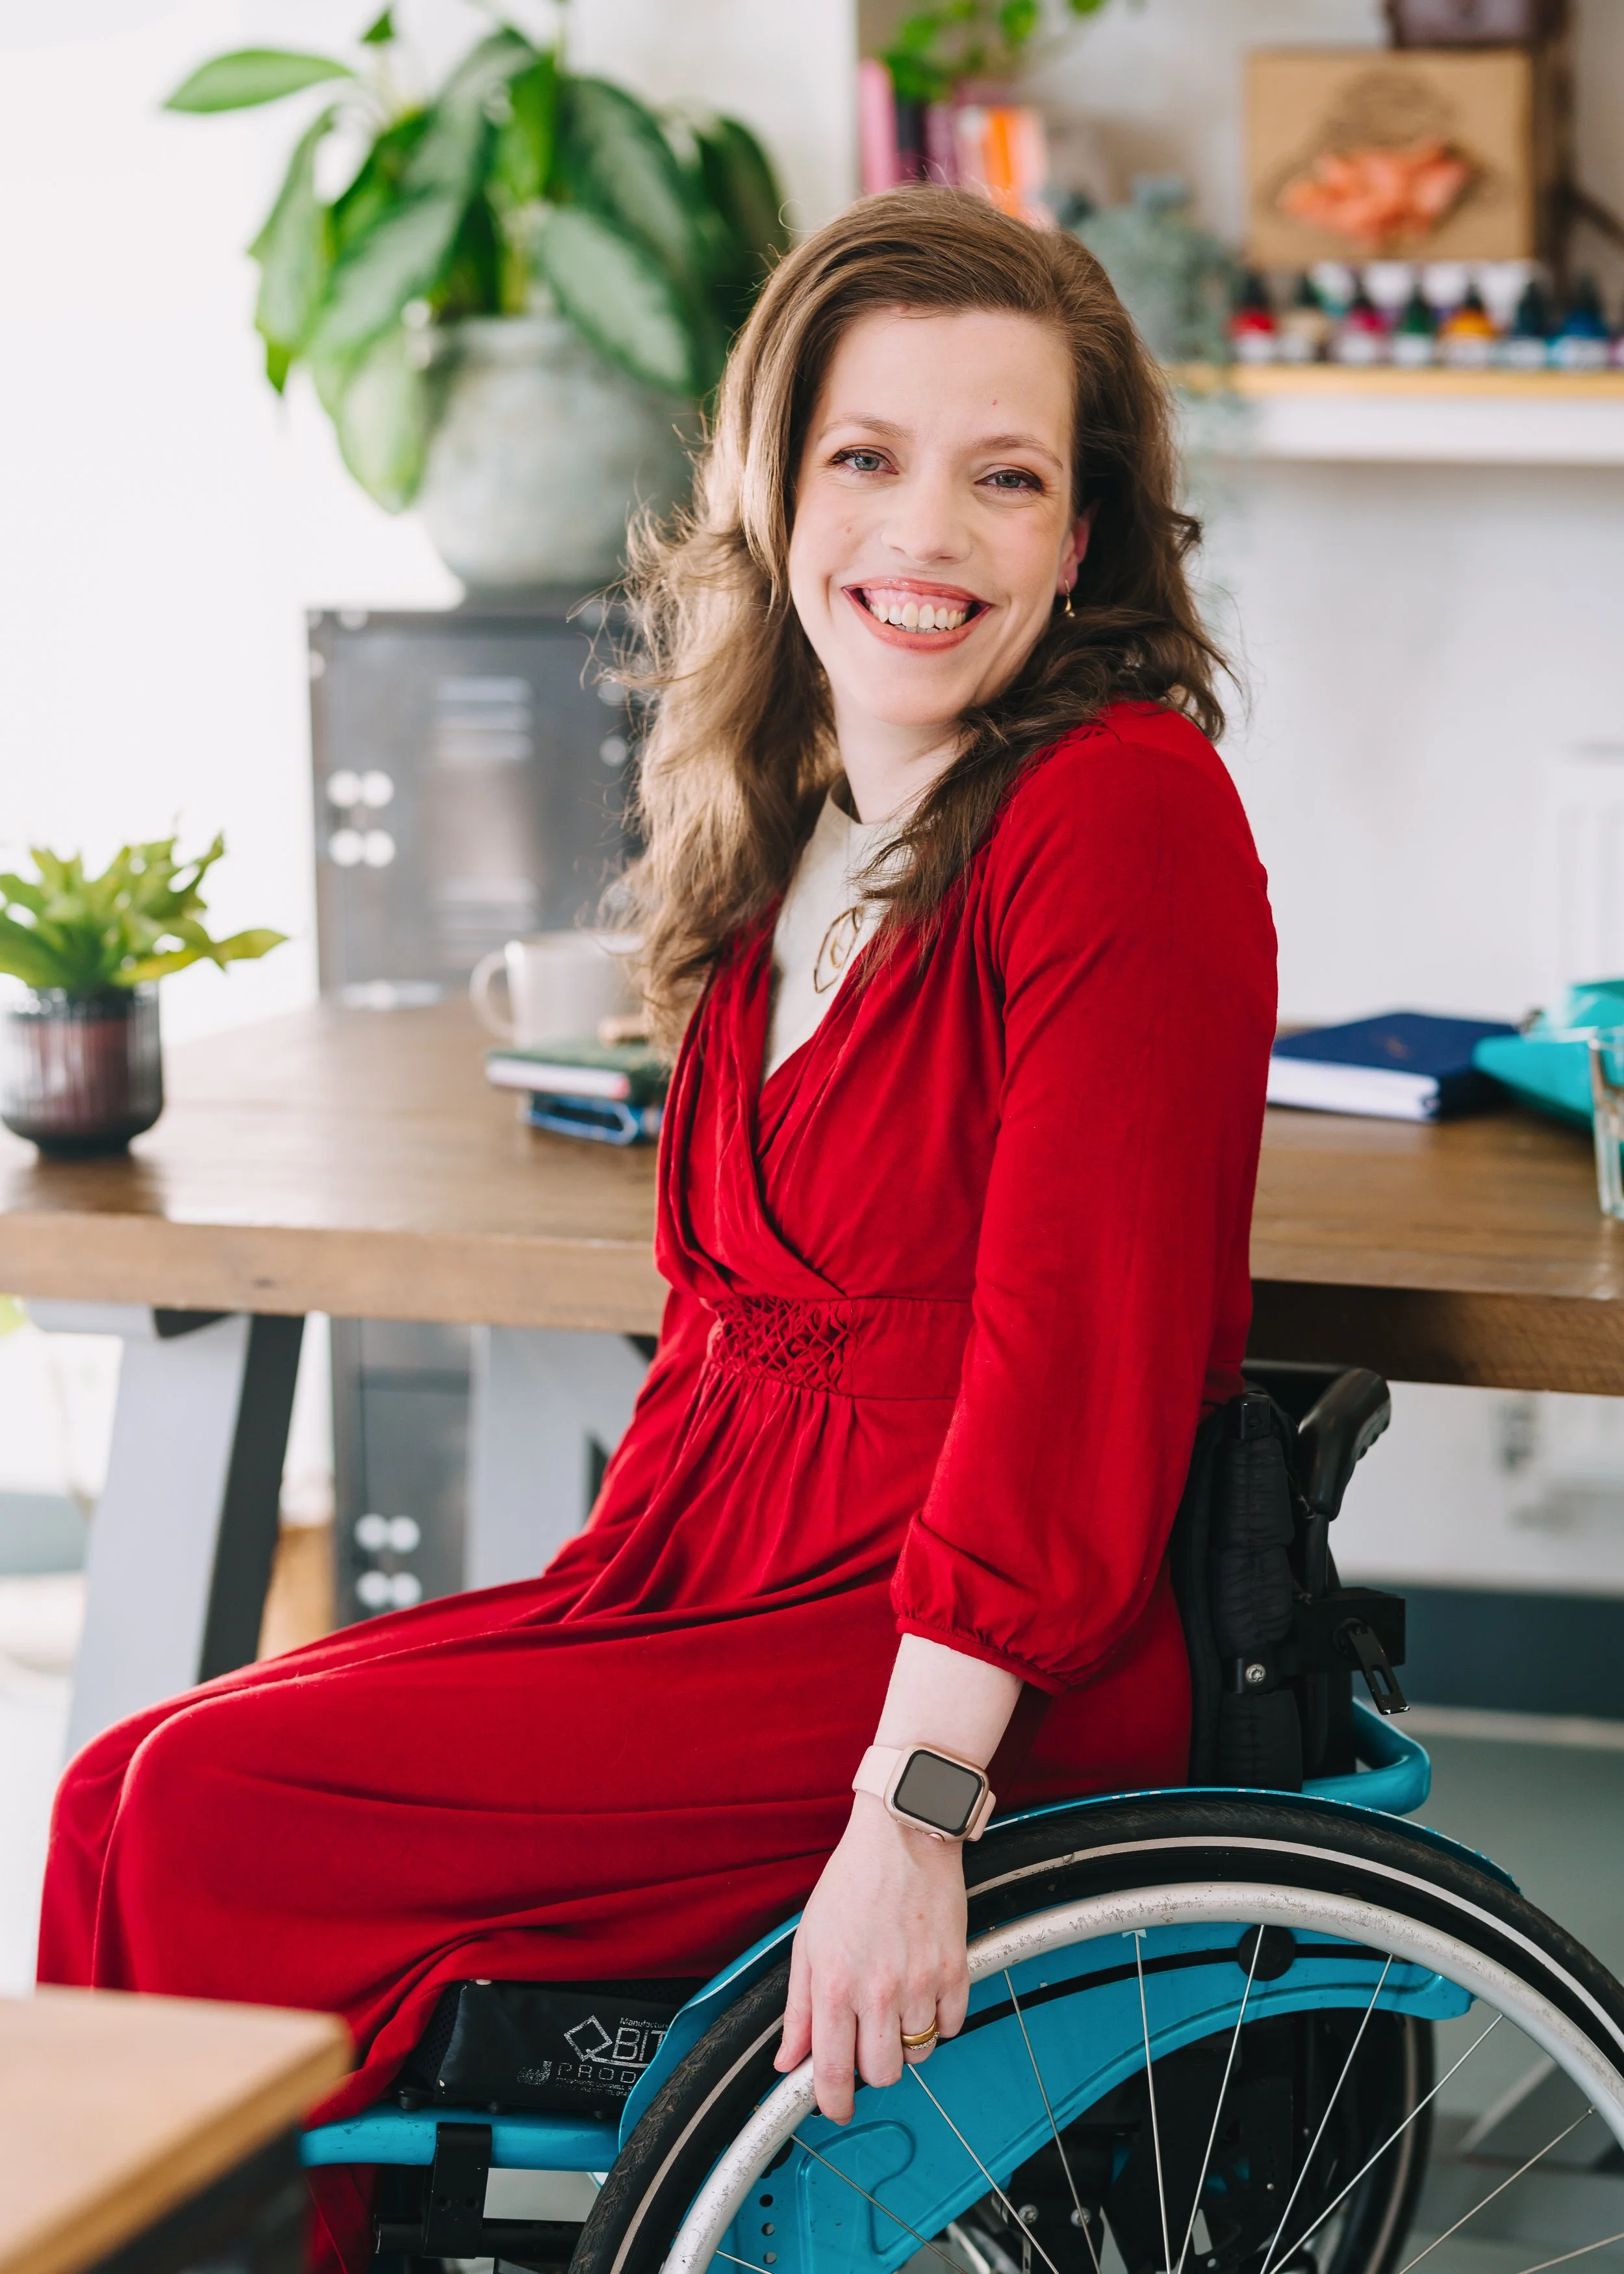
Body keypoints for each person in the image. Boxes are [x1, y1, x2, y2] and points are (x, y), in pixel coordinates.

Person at [36, 185, 1275, 2271]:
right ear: (773, 492)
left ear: (1078, 546)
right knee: (118, 1780)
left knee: (203, 1812)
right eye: (864, 460)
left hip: (947, 1658)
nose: (926, 534)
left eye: (1005, 478)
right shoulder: (801, 827)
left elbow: (1073, 1366)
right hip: (702, 1584)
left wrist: (917, 1810)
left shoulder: (1118, 811)